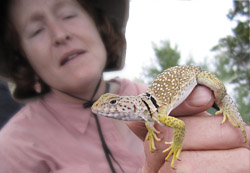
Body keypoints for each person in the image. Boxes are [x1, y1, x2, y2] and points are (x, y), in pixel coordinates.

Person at [0, 0, 249, 172]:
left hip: (193, 78)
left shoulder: (150, 101)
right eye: (36, 30)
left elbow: (180, 124)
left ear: (98, 24)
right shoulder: (11, 149)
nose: (59, 34)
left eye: (68, 15)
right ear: (21, 56)